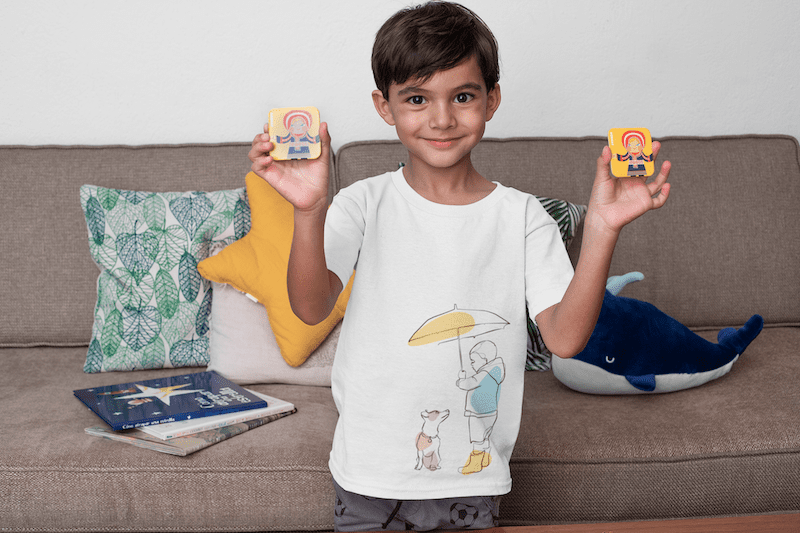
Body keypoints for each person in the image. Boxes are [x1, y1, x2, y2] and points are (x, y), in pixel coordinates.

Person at [248, 2, 671, 530]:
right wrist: (309, 211)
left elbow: (565, 340)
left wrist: (603, 229)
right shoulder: (362, 202)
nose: (442, 118)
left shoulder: (523, 216)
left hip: (474, 478)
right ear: (384, 106)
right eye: (417, 98)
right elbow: (311, 308)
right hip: (369, 474)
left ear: (492, 99)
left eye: (463, 97)